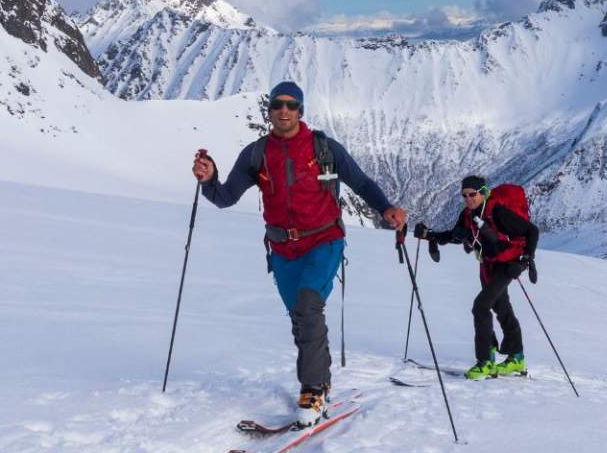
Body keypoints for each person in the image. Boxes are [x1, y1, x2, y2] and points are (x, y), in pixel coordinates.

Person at [192, 81, 405, 424]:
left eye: (292, 105)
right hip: (282, 249)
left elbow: (361, 182)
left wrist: (386, 208)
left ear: (301, 110)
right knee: (301, 318)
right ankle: (321, 378)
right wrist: (208, 179)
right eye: (278, 105)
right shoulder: (256, 154)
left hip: (324, 241)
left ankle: (314, 389)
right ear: (270, 110)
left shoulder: (324, 148)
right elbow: (225, 197)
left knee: (308, 307)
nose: (285, 111)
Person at [414, 176, 539, 380]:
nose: (468, 198)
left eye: (473, 194)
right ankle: (516, 357)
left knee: (480, 306)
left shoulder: (497, 212)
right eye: (464, 195)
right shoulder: (468, 215)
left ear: (484, 192)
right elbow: (455, 235)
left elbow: (532, 231)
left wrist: (525, 260)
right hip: (488, 264)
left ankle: (485, 362)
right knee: (501, 307)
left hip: (508, 265)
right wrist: (430, 235)